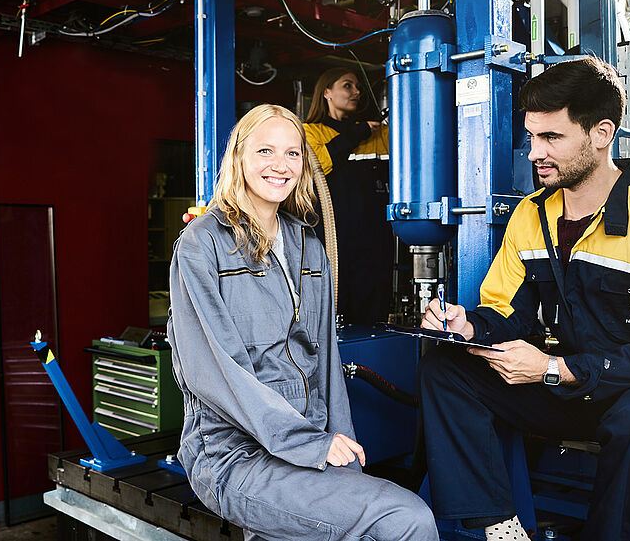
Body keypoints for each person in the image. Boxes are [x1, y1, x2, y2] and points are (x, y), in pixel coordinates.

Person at [417, 57, 630, 541]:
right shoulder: (531, 215)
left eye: (552, 138)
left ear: (602, 132)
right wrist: (468, 327)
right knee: (446, 367)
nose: (533, 153)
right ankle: (498, 525)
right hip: (572, 387)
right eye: (531, 137)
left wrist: (552, 369)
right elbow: (506, 309)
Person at [168, 104, 437, 541]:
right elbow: (215, 370)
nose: (281, 165)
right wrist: (308, 444)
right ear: (238, 157)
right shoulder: (202, 243)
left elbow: (326, 358)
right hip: (234, 453)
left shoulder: (308, 244)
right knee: (406, 518)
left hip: (306, 440)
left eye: (293, 154)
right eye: (266, 151)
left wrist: (341, 446)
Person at [303, 67, 394, 325]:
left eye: (357, 87)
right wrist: (360, 131)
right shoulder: (309, 132)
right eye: (347, 86)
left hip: (375, 243)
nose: (356, 92)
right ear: (327, 92)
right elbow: (320, 163)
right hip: (334, 243)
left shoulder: (377, 135)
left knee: (373, 314)